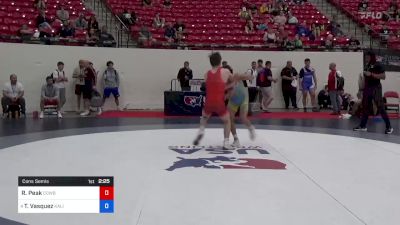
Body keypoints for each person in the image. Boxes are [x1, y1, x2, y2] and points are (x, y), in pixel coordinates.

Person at [193, 52, 235, 150]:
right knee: (227, 121)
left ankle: (202, 129)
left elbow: (210, 86)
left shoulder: (206, 74)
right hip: (219, 102)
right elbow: (233, 82)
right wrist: (229, 92)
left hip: (208, 102)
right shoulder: (225, 71)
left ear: (210, 62)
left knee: (204, 118)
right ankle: (226, 142)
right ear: (220, 61)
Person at [354, 52, 393, 134]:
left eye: (368, 57)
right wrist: (361, 89)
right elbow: (365, 79)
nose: (366, 58)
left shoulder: (377, 64)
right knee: (365, 107)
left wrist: (371, 74)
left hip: (376, 88)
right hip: (367, 88)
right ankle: (362, 126)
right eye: (366, 57)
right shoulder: (367, 66)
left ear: (371, 57)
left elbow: (383, 76)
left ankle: (389, 127)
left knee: (380, 107)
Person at [228, 71, 256, 147]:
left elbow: (250, 77)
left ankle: (250, 128)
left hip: (243, 98)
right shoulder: (223, 80)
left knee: (243, 117)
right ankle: (236, 139)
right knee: (230, 119)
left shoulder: (236, 75)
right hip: (233, 100)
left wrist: (247, 76)